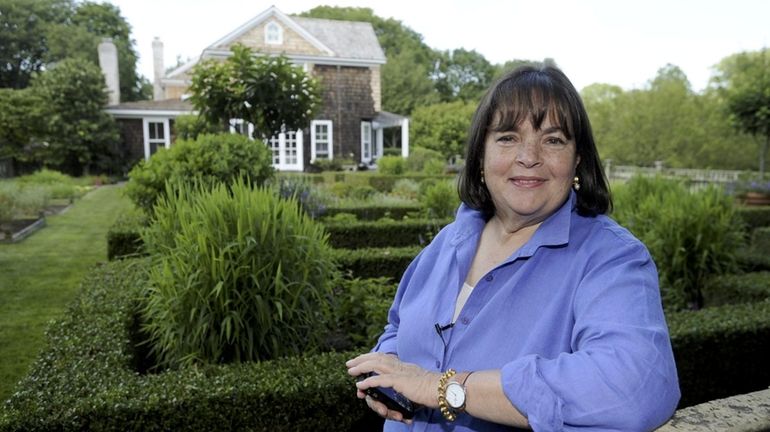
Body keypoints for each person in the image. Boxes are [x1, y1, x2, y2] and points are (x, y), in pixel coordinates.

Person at [346, 65, 680, 431]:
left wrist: (442, 388)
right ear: (480, 156)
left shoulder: (611, 259)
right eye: (507, 137)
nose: (529, 156)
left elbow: (634, 387)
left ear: (577, 160)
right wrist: (389, 367)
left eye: (553, 140)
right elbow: (397, 325)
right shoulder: (448, 241)